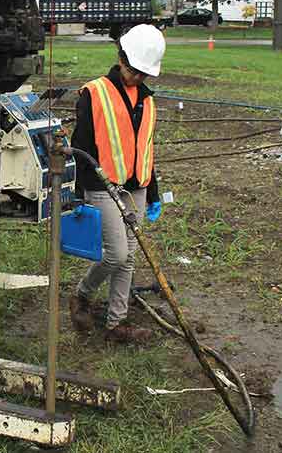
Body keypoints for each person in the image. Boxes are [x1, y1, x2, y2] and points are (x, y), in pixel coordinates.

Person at [69, 24, 166, 343]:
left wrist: (152, 191)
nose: (137, 78)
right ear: (121, 57)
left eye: (143, 74)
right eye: (133, 70)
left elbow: (147, 147)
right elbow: (80, 146)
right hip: (102, 186)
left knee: (130, 257)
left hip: (135, 186)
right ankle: (82, 294)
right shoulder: (94, 93)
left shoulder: (147, 101)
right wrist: (79, 193)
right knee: (116, 255)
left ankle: (116, 323)